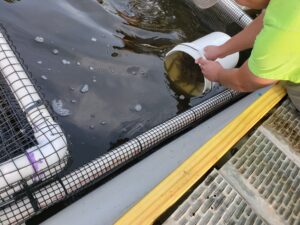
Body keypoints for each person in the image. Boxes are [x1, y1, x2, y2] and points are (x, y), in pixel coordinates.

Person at [195, 0, 300, 111]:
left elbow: (245, 82)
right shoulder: (285, 6)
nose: (240, 4)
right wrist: (221, 50)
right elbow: (267, 20)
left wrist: (218, 74)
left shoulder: (281, 37)